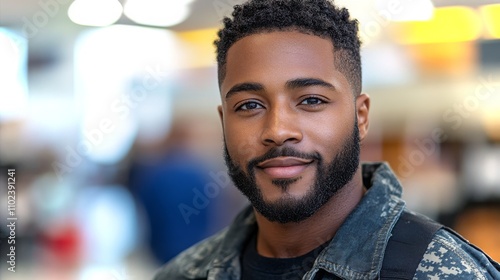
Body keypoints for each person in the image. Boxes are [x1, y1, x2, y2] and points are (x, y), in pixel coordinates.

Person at [153, 0, 500, 279]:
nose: (277, 130)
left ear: (360, 117)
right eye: (249, 105)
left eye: (311, 100)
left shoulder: (443, 271)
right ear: (223, 121)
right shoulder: (184, 273)